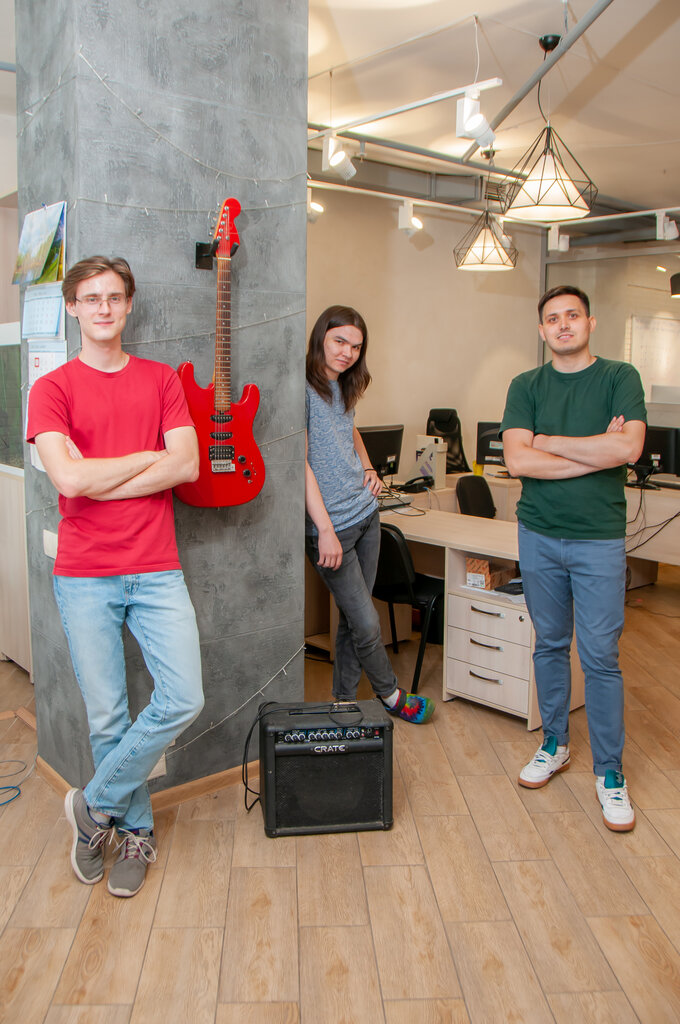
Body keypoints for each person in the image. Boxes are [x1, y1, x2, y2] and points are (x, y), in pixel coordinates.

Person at [26, 255, 205, 896]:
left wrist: (99, 475)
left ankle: (92, 807)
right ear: (73, 307)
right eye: (91, 298)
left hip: (156, 568)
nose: (103, 307)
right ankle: (133, 832)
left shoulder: (160, 380)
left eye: (114, 297)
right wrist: (145, 458)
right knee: (108, 718)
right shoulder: (51, 389)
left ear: (129, 305)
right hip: (85, 575)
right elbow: (68, 479)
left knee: (183, 698)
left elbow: (187, 466)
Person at [501, 285, 646, 832]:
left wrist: (548, 441)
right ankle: (555, 744)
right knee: (550, 644)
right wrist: (595, 451)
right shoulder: (526, 385)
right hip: (538, 535)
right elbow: (518, 462)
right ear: (542, 330)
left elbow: (628, 449)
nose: (563, 325)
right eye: (552, 318)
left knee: (601, 657)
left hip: (598, 539)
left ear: (590, 323)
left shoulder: (619, 378)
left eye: (572, 316)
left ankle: (610, 772)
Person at [305, 305, 434, 724]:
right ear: (321, 337)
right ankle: (391, 695)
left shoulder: (343, 384)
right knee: (367, 622)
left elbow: (350, 429)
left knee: (352, 618)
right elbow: (298, 464)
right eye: (339, 341)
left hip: (366, 516)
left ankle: (343, 702)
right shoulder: (300, 387)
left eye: (356, 346)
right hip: (332, 529)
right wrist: (323, 529)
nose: (347, 352)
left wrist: (369, 468)